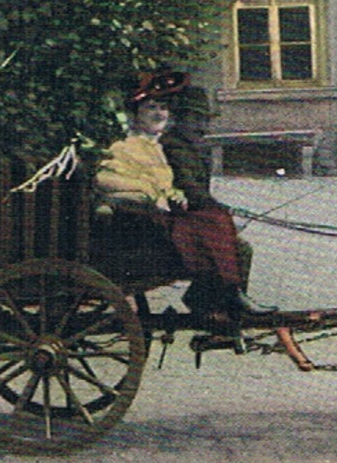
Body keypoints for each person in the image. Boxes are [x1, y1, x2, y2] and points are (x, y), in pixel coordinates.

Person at [96, 73, 275, 322]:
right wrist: (151, 195)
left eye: (163, 108)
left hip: (161, 215)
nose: (159, 114)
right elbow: (109, 180)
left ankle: (225, 300)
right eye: (151, 108)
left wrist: (173, 194)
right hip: (142, 220)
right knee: (213, 220)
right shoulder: (124, 147)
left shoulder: (156, 147)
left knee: (215, 222)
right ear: (136, 113)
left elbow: (167, 184)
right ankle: (225, 298)